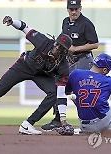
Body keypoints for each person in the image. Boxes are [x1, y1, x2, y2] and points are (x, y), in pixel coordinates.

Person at [41, 0, 99, 131]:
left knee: (83, 91)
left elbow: (95, 44)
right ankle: (57, 120)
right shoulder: (65, 22)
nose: (74, 12)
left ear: (80, 8)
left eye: (76, 9)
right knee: (60, 88)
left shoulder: (86, 23)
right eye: (71, 9)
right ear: (67, 9)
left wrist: (76, 48)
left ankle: (94, 119)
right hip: (69, 61)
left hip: (83, 60)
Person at [65, 53, 111, 132]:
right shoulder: (108, 80)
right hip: (102, 123)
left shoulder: (75, 74)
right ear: (104, 70)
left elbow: (67, 92)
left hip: (84, 125)